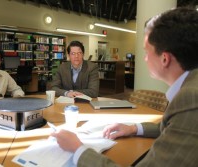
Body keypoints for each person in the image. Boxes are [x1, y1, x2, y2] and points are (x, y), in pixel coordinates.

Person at [51, 7, 198, 167]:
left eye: (146, 53)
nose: (145, 59)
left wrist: (78, 149)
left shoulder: (190, 100)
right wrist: (133, 128)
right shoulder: (190, 89)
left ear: (164, 59)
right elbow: (167, 126)